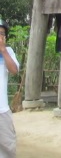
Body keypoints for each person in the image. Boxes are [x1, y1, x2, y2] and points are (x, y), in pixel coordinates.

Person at [0, 18, 19, 158]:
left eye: (2, 33)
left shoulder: (8, 52)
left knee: (8, 148)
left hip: (2, 111)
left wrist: (3, 51)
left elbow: (14, 70)